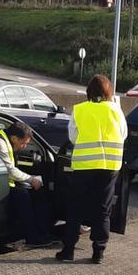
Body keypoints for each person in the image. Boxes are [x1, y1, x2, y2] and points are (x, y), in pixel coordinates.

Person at [57, 74, 127, 265]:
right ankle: (98, 252)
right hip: (110, 166)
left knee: (76, 207)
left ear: (89, 91)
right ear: (108, 92)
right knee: (103, 209)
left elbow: (73, 138)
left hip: (84, 166)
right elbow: (123, 135)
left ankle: (68, 250)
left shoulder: (79, 110)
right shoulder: (116, 111)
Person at [0, 121, 54, 249]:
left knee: (38, 194)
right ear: (14, 138)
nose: (25, 146)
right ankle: (32, 237)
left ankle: (42, 233)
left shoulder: (7, 140)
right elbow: (9, 170)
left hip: (9, 182)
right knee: (23, 197)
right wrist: (31, 179)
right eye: (23, 143)